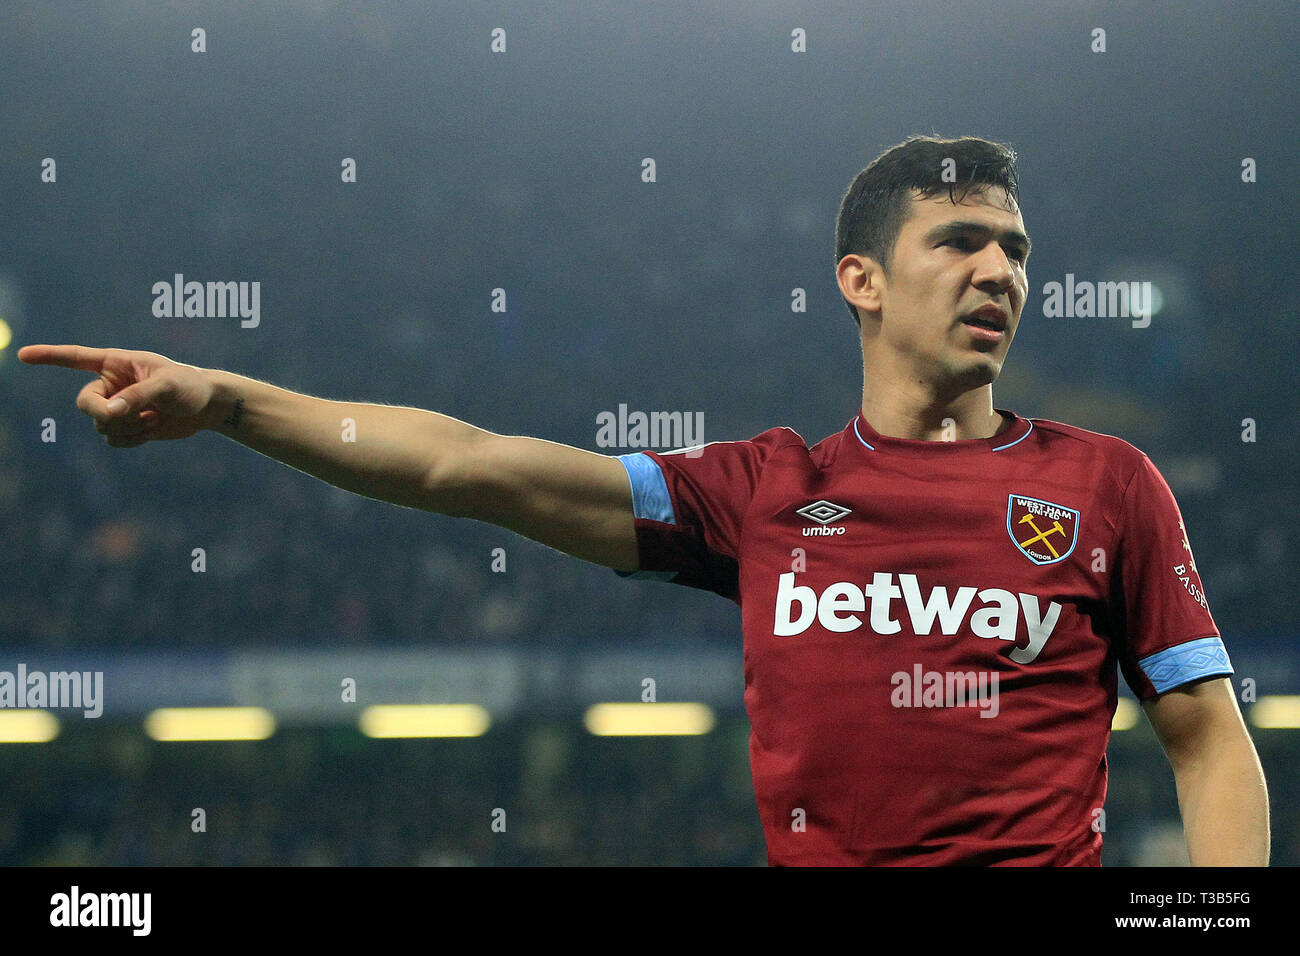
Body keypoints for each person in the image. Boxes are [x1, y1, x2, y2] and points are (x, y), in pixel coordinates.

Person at [18, 135, 1269, 866]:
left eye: (1015, 249)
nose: (999, 268)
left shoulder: (1107, 484)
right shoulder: (766, 492)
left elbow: (1209, 741)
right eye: (957, 240)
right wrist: (228, 396)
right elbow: (469, 462)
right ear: (861, 279)